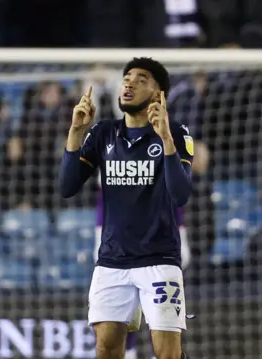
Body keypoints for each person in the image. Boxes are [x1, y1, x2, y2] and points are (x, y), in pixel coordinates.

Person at [59, 57, 193, 359]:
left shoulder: (178, 134)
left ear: (159, 95)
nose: (129, 83)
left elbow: (181, 194)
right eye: (127, 78)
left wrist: (166, 139)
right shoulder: (103, 133)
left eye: (141, 79)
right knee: (106, 346)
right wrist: (76, 132)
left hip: (159, 259)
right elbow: (67, 188)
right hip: (112, 260)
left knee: (167, 353)